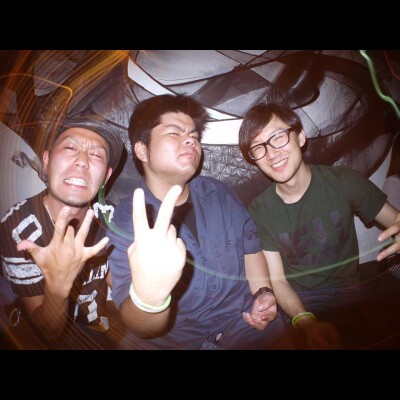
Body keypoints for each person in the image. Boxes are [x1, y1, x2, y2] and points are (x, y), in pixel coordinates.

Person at [107, 94, 289, 350]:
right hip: (173, 340)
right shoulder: (127, 220)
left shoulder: (218, 193)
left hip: (245, 323)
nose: (191, 140)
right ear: (142, 150)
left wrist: (263, 294)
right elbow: (140, 326)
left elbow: (251, 250)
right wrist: (150, 297)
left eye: (193, 135)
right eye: (174, 133)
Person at [238, 102, 400, 349]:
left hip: (353, 291)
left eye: (278, 137)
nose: (271, 154)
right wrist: (306, 322)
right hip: (302, 302)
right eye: (258, 148)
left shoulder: (343, 180)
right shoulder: (259, 211)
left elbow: (394, 220)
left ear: (300, 137)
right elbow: (278, 281)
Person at [0, 114, 124, 349]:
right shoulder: (19, 230)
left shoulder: (109, 216)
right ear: (46, 161)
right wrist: (58, 285)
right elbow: (49, 332)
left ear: (106, 177)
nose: (82, 161)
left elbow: (118, 284)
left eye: (96, 155)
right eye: (70, 148)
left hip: (97, 332)